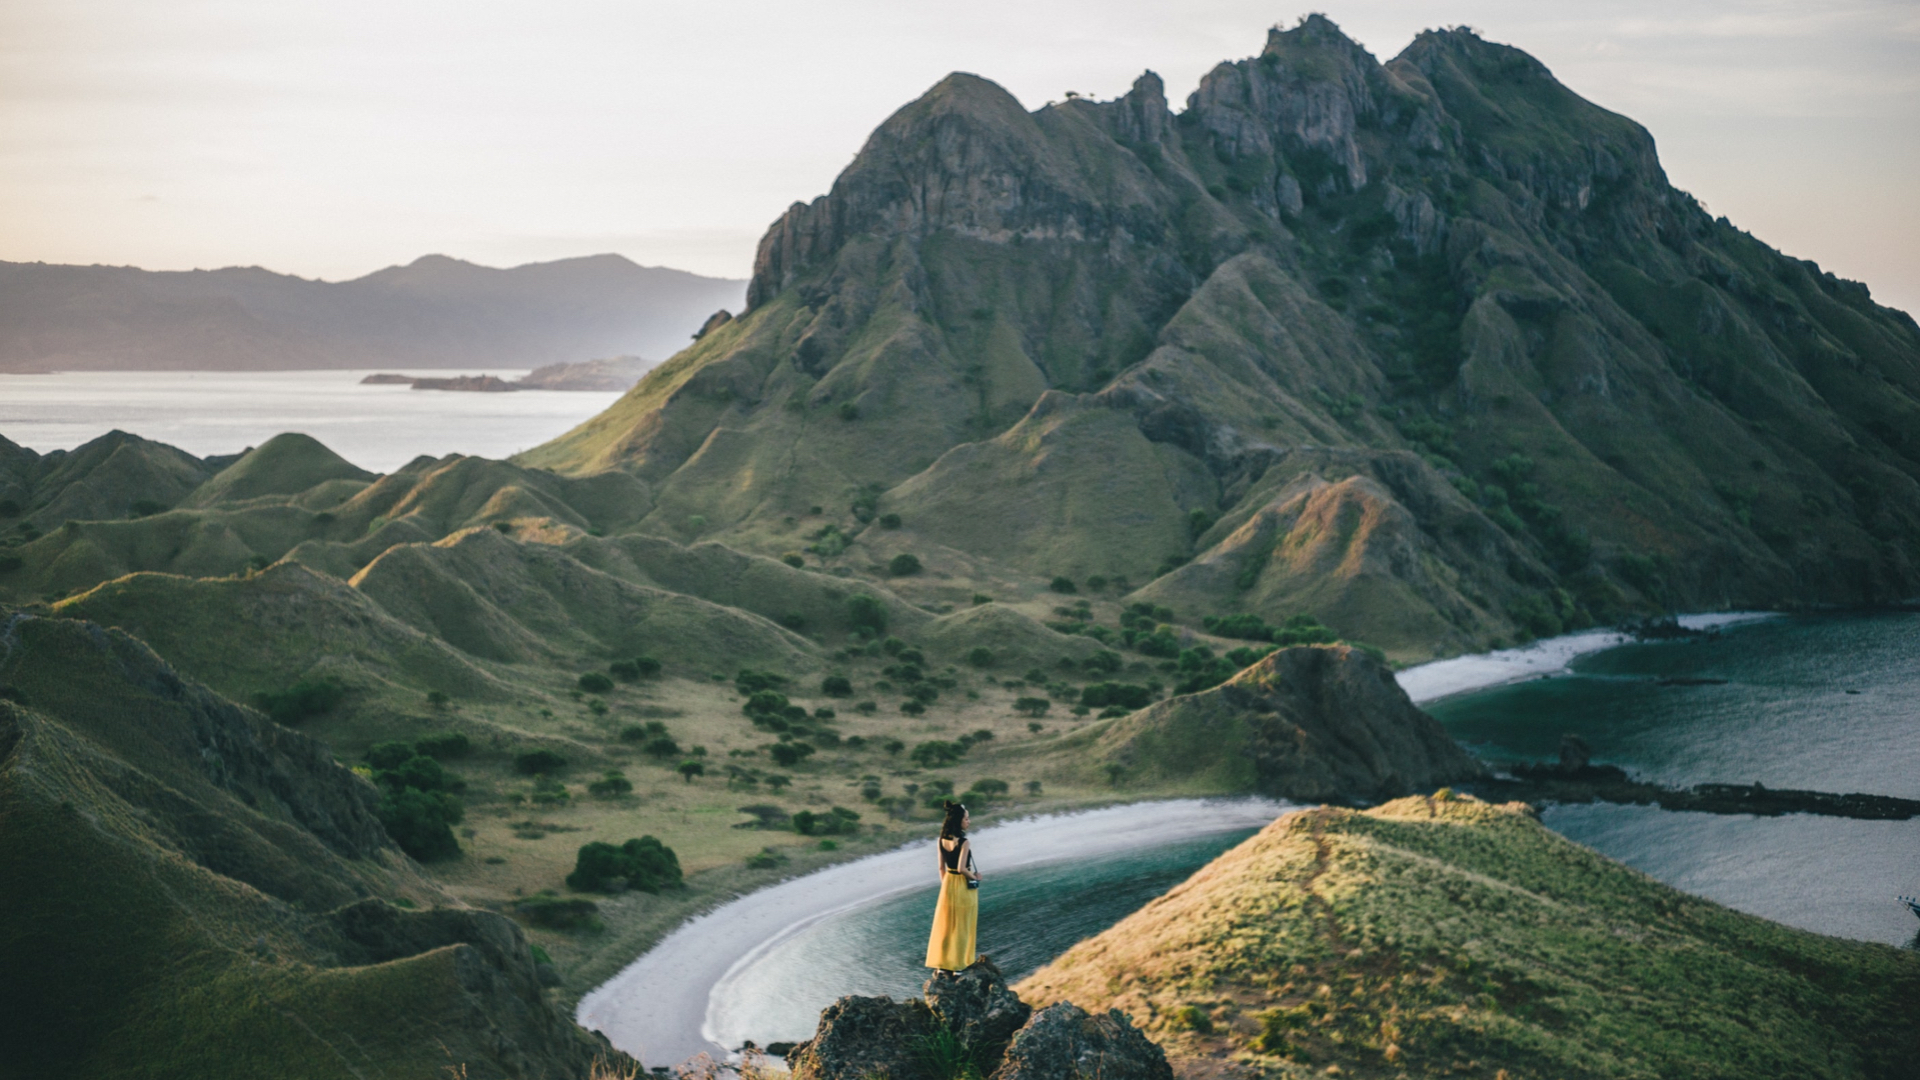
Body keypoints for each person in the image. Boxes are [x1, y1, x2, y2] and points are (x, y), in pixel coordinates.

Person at [924, 800, 980, 971]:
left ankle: (942, 964)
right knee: (963, 926)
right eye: (966, 819)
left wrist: (946, 888)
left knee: (947, 926)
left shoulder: (941, 840)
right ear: (959, 821)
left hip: (948, 884)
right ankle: (959, 965)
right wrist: (976, 877)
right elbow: (962, 868)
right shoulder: (964, 842)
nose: (968, 822)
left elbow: (941, 867)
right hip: (962, 886)